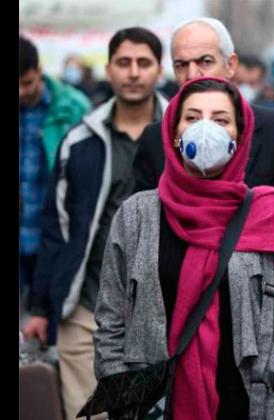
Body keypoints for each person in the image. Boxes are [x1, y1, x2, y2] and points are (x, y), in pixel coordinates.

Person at [93, 76, 274, 419]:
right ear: (174, 134)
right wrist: (122, 394)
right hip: (157, 409)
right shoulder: (136, 215)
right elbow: (111, 319)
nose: (206, 129)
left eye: (221, 120)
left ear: (241, 134)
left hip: (251, 407)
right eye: (192, 118)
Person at [23, 27, 168, 420]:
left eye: (143, 63)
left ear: (159, 69)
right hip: (85, 308)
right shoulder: (81, 140)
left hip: (164, 314)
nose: (133, 73)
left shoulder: (181, 136)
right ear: (108, 69)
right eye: (124, 63)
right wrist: (40, 306)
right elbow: (57, 225)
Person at [132, 17, 274, 192]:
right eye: (181, 65)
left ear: (231, 65)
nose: (192, 74)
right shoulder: (156, 138)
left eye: (205, 61)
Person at [19, 36, 91, 311]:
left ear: (39, 71)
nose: (20, 92)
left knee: (51, 325)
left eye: (26, 82)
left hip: (54, 238)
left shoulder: (73, 107)